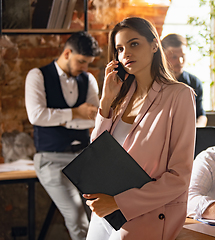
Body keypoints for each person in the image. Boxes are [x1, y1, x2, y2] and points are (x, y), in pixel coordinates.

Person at [83, 17, 196, 240]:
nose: (126, 53)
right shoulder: (122, 97)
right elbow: (98, 154)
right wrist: (105, 102)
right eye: (120, 48)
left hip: (145, 215)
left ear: (155, 45)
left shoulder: (179, 95)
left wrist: (118, 203)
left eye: (134, 44)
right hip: (105, 214)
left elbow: (179, 177)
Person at [25, 31, 101, 240]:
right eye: (82, 62)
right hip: (51, 160)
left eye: (88, 63)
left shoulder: (88, 79)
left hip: (85, 158)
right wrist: (76, 113)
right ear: (67, 53)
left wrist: (60, 117)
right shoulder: (37, 76)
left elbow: (95, 117)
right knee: (77, 218)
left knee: (103, 215)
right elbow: (37, 115)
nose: (85, 68)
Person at [162, 33, 208, 127]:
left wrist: (196, 129)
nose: (180, 61)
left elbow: (201, 115)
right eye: (174, 57)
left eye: (182, 56)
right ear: (162, 56)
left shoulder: (195, 82)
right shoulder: (153, 81)